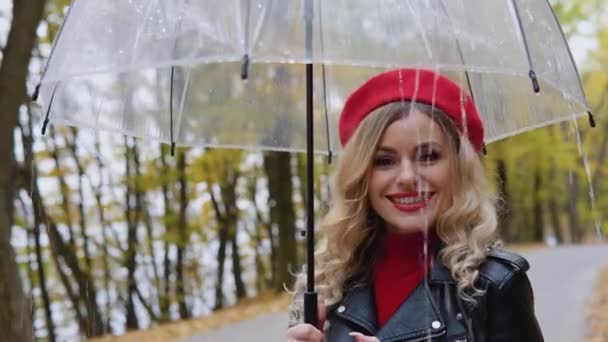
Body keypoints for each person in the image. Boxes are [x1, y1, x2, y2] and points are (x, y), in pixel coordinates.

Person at [284, 68, 544, 342]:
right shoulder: (329, 284)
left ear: (458, 168)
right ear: (361, 176)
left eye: (428, 156)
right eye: (385, 161)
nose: (407, 178)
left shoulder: (494, 285)